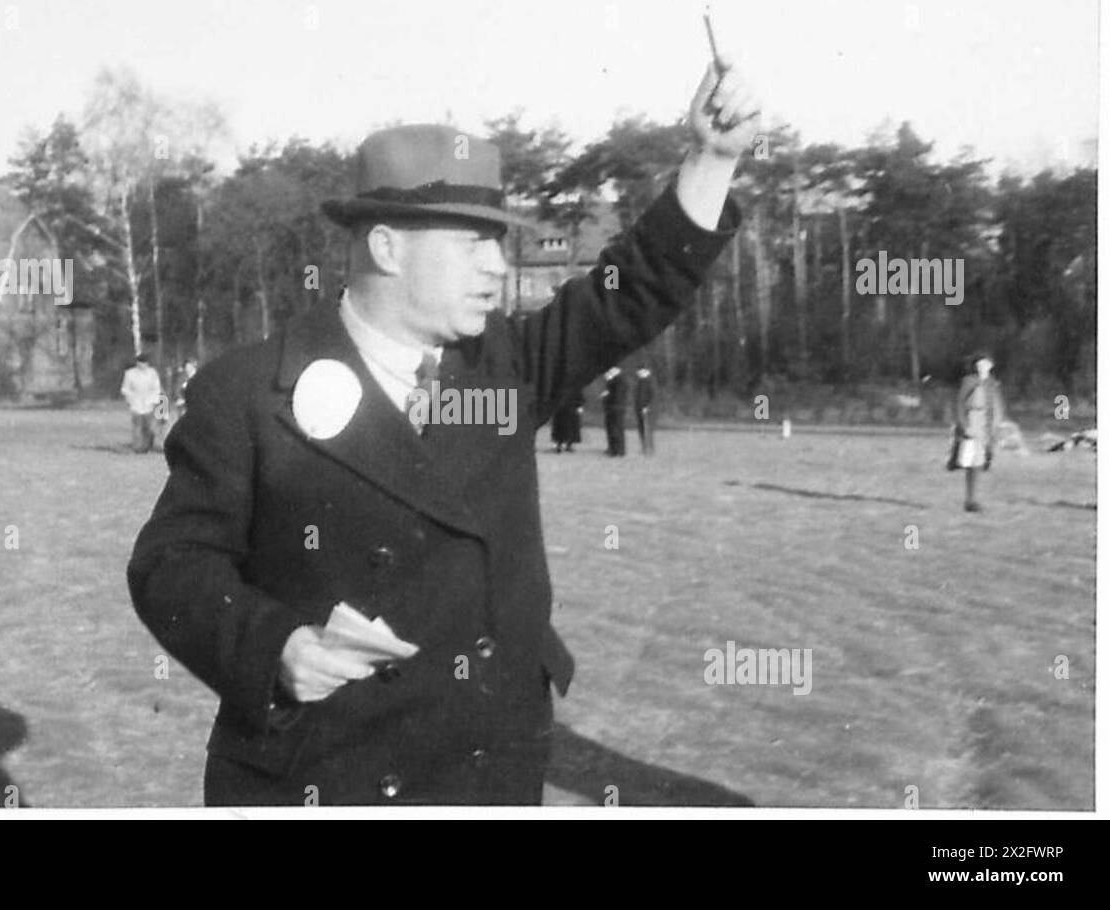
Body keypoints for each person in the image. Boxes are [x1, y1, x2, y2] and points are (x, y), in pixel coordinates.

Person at [128, 59, 758, 805]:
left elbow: (637, 286)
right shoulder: (249, 391)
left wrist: (714, 158)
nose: (499, 267)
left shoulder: (507, 368)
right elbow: (171, 566)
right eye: (472, 243)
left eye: (499, 242)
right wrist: (272, 646)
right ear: (389, 248)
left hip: (487, 767)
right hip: (327, 775)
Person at [951, 351, 1006, 512]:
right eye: (980, 364)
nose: (983, 367)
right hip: (971, 420)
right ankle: (969, 498)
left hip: (985, 424)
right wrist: (964, 425)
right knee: (968, 460)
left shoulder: (992, 383)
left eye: (986, 363)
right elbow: (960, 404)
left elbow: (996, 405)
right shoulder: (969, 381)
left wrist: (996, 425)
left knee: (978, 461)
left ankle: (972, 500)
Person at [120, 353, 163, 453]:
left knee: (148, 427)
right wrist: (130, 399)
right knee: (137, 427)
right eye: (140, 363)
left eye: (144, 363)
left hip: (149, 404)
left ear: (147, 364)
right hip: (136, 404)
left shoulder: (152, 373)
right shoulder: (130, 373)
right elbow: (125, 388)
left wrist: (153, 401)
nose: (142, 365)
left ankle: (147, 445)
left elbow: (156, 388)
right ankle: (138, 447)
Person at [602, 367, 628, 456]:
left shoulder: (619, 381)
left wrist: (606, 395)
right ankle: (615, 449)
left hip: (616, 408)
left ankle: (617, 450)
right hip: (615, 408)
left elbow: (617, 396)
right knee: (615, 429)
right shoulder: (616, 380)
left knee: (616, 429)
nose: (609, 373)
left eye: (611, 371)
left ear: (617, 370)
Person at [634, 366, 656, 455]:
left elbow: (653, 396)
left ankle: (650, 449)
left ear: (645, 371)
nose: (638, 374)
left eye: (640, 372)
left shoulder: (650, 381)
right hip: (639, 409)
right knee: (641, 429)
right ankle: (644, 448)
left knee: (648, 429)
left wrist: (647, 406)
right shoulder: (640, 381)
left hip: (648, 410)